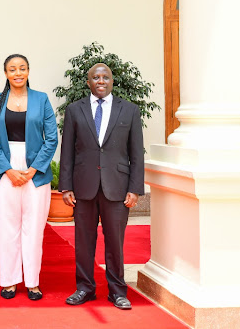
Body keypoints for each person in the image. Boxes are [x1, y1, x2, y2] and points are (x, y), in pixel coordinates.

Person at [58, 62, 144, 310]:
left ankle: (117, 291)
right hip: (83, 187)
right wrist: (66, 186)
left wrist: (135, 188)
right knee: (84, 242)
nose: (101, 81)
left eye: (105, 77)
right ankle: (85, 288)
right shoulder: (75, 110)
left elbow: (136, 153)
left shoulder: (129, 111)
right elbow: (68, 151)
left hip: (117, 188)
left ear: (112, 81)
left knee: (115, 242)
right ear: (88, 82)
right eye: (95, 77)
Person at [0, 54, 58, 301]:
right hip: (5, 170)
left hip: (35, 172)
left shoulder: (41, 99)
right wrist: (7, 169)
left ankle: (33, 282)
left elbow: (52, 138)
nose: (18, 73)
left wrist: (34, 169)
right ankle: (9, 281)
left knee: (34, 228)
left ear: (28, 71)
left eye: (22, 68)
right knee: (7, 228)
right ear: (5, 73)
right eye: (12, 69)